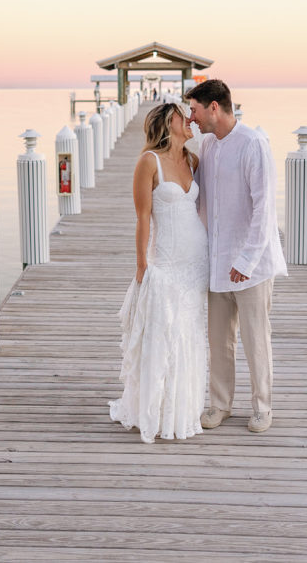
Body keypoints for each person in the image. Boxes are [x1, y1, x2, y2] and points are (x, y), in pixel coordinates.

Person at [184, 79, 287, 433]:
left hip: (251, 267)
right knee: (219, 340)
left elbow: (264, 210)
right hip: (216, 261)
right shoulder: (208, 145)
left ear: (215, 107)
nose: (191, 118)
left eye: (194, 110)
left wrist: (246, 261)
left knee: (256, 340)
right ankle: (220, 405)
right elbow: (200, 201)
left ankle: (262, 408)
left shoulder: (253, 143)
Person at [108, 102, 209, 443]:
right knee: (165, 334)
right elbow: (142, 219)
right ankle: (157, 409)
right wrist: (141, 267)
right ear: (171, 122)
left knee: (189, 336)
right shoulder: (147, 162)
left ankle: (184, 407)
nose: (191, 120)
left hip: (196, 263)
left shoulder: (193, 161)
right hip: (164, 264)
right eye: (186, 115)